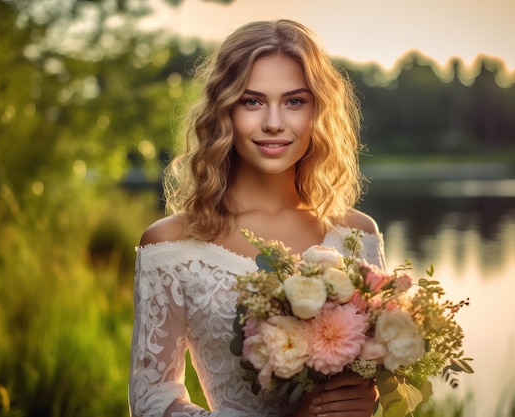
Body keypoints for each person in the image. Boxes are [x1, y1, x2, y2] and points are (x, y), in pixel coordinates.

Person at [128, 19, 386, 417]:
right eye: (252, 101)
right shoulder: (170, 246)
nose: (274, 122)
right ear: (224, 110)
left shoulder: (357, 234)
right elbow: (151, 402)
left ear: (318, 109)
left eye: (294, 101)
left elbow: (382, 379)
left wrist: (373, 399)